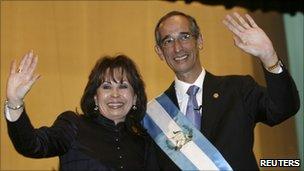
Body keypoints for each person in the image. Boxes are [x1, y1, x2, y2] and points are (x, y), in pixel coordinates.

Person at [143, 11, 300, 170]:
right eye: (168, 41)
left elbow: (283, 108)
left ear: (200, 41)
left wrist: (269, 55)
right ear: (160, 52)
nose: (177, 48)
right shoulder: (154, 115)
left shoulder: (238, 89)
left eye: (185, 37)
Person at [4, 51, 163, 170]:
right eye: (106, 86)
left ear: (135, 97)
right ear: (95, 96)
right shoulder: (73, 126)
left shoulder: (144, 142)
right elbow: (31, 145)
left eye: (123, 86)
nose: (115, 94)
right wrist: (15, 101)